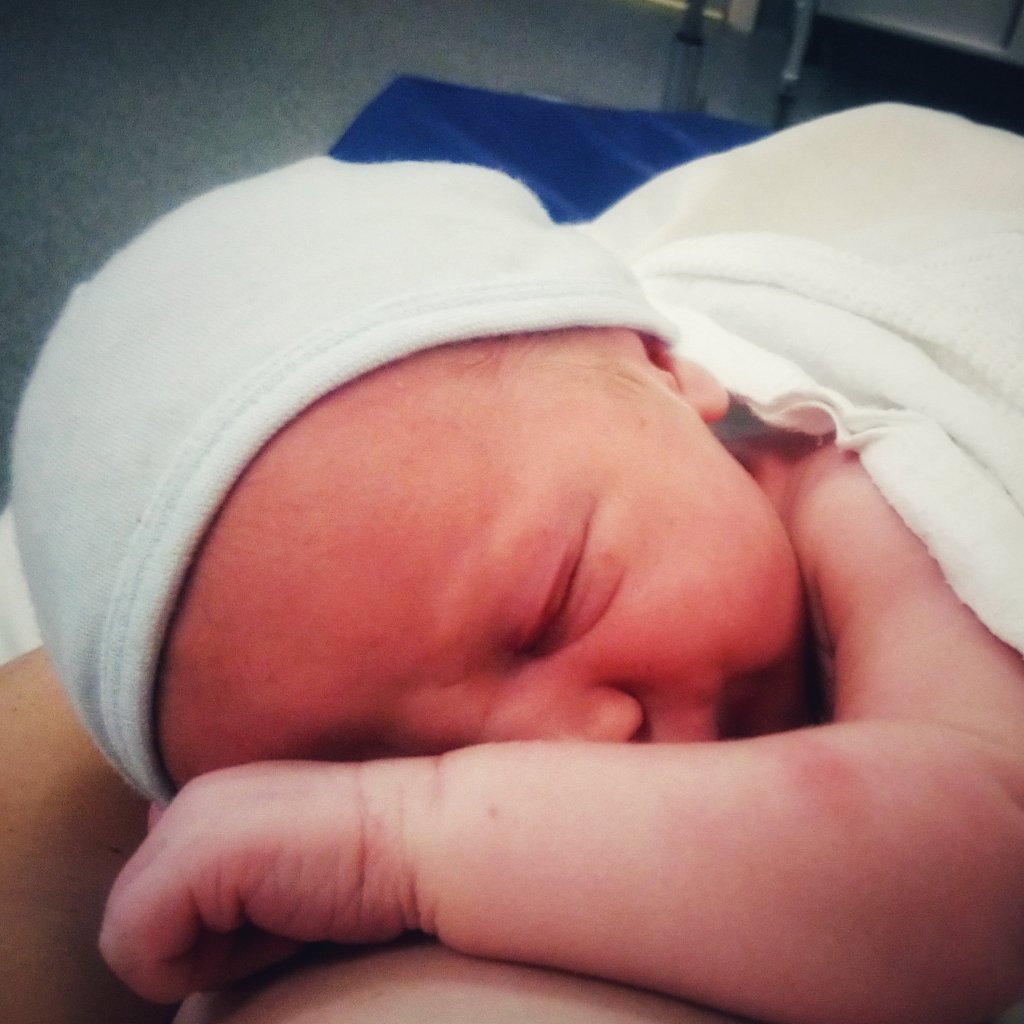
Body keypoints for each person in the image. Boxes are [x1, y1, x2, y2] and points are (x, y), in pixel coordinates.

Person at [7, 102, 1024, 1024]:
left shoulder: (857, 493)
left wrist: (391, 840)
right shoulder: (557, 486)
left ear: (669, 374)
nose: (557, 762)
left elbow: (979, 873)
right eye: (380, 766)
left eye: (556, 606)